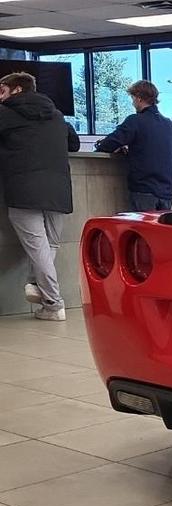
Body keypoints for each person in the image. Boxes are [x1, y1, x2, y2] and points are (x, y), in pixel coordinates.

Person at [0, 72, 80, 321]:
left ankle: (54, 304)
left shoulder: (4, 114)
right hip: (58, 189)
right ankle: (36, 285)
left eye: (2, 90)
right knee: (49, 245)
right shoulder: (57, 115)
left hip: (23, 189)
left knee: (38, 249)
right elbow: (74, 144)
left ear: (17, 90)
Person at [95, 80, 172, 212]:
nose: (132, 102)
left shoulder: (135, 121)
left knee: (143, 231)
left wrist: (100, 146)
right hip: (167, 191)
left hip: (144, 189)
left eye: (133, 98)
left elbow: (110, 143)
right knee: (161, 231)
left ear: (139, 98)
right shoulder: (169, 125)